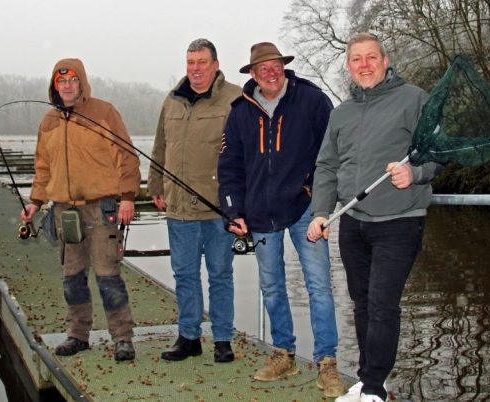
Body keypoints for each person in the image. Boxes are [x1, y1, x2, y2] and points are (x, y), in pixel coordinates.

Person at [307, 33, 444, 402]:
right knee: (363, 303)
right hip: (353, 222)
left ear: (385, 61)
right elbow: (327, 167)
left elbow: (438, 150)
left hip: (399, 220)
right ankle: (372, 382)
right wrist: (321, 212)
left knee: (383, 303)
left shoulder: (414, 99)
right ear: (349, 66)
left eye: (371, 58)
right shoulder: (342, 113)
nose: (364, 65)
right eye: (356, 59)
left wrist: (414, 173)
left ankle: (372, 389)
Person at [217, 42, 344, 397]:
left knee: (319, 285)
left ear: (283, 67)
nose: (269, 72)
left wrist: (322, 204)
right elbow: (229, 168)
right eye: (262, 68)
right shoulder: (240, 111)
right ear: (252, 74)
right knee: (272, 287)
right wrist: (233, 210)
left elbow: (331, 155)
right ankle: (283, 353)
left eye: (275, 65)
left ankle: (327, 362)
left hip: (306, 210)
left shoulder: (312, 100)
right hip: (259, 214)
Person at [21, 58, 141, 362]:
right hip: (64, 212)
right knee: (72, 276)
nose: (67, 86)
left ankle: (122, 338)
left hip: (101, 209)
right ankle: (77, 334)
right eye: (61, 82)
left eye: (73, 80)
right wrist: (35, 203)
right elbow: (42, 168)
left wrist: (128, 197)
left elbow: (127, 157)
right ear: (54, 85)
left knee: (107, 275)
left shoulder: (104, 112)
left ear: (82, 83)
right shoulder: (49, 121)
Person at [147, 38, 242, 363]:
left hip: (219, 207)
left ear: (215, 65)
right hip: (178, 207)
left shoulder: (235, 98)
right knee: (184, 274)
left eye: (202, 62)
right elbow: (160, 146)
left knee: (220, 274)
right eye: (190, 62)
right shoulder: (172, 100)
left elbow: (246, 153)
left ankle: (223, 339)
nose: (195, 69)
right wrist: (154, 183)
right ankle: (189, 336)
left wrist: (241, 202)